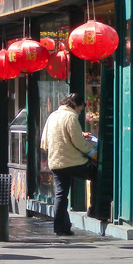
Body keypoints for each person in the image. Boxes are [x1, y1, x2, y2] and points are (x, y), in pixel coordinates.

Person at [41, 92, 97, 236]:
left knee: (61, 194)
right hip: (73, 162)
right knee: (96, 174)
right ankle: (95, 209)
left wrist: (80, 134)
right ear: (75, 105)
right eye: (80, 109)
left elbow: (46, 140)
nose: (79, 112)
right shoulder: (71, 117)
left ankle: (60, 227)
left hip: (55, 163)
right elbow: (78, 143)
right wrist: (92, 153)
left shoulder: (53, 116)